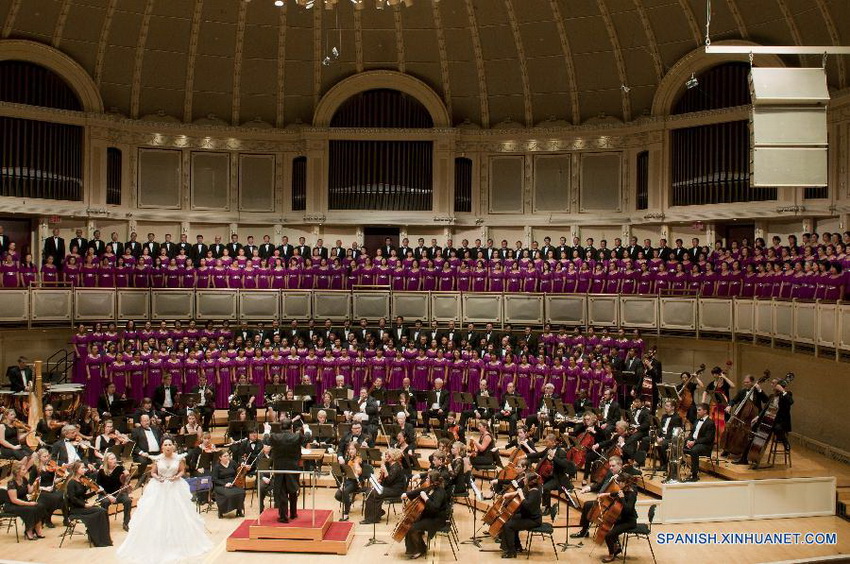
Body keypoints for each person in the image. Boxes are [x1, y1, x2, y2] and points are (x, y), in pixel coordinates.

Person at [117, 436, 213, 563]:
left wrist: (176, 477)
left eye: (170, 444)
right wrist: (158, 478)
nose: (168, 447)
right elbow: (153, 473)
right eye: (165, 445)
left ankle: (178, 542)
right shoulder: (157, 459)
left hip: (175, 487)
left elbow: (182, 471)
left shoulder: (179, 458)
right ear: (162, 447)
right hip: (160, 487)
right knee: (157, 514)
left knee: (178, 514)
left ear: (173, 446)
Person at [264, 416, 312, 523]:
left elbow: (265, 440)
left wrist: (267, 430)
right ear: (291, 427)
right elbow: (308, 438)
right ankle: (294, 513)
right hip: (293, 467)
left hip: (279, 468)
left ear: (281, 427)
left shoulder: (275, 437)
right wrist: (307, 428)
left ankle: (283, 516)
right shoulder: (297, 436)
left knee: (282, 492)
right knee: (293, 490)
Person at [402, 469, 449, 560]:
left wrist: (425, 498)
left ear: (433, 481)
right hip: (429, 516)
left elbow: (434, 509)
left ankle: (419, 549)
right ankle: (418, 548)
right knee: (409, 524)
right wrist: (407, 494)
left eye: (428, 478)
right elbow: (419, 490)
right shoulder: (431, 487)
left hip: (437, 519)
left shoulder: (440, 492)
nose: (426, 480)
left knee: (412, 528)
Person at [65, 461, 113, 547]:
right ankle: (98, 539)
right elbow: (73, 499)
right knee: (100, 512)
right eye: (82, 468)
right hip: (76, 509)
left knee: (103, 511)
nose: (84, 469)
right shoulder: (71, 483)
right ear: (76, 470)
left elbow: (83, 496)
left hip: (82, 506)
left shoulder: (81, 481)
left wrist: (95, 492)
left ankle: (102, 538)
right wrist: (85, 505)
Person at [499, 471, 543, 559]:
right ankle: (517, 546)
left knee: (508, 526)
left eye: (525, 478)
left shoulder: (535, 492)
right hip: (527, 516)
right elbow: (521, 492)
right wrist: (509, 494)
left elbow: (526, 505)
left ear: (530, 481)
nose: (524, 479)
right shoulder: (531, 487)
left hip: (533, 520)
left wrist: (521, 494)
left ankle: (511, 552)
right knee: (509, 519)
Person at [3, 460, 48, 541]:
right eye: (23, 469)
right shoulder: (11, 483)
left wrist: (35, 484)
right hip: (12, 505)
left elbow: (29, 491)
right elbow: (14, 500)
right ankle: (29, 531)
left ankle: (37, 530)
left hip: (23, 502)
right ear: (17, 471)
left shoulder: (24, 479)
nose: (26, 471)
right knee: (30, 509)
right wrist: (28, 504)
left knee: (40, 506)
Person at [362, 448, 406, 524]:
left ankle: (373, 518)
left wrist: (384, 470)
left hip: (395, 490)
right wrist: (380, 479)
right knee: (369, 491)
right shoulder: (389, 465)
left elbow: (389, 480)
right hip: (389, 488)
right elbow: (386, 480)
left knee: (374, 493)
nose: (386, 456)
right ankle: (377, 513)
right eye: (386, 454)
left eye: (388, 455)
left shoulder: (396, 467)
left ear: (394, 457)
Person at [96, 452, 133, 531]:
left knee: (128, 501)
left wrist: (127, 477)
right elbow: (98, 486)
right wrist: (108, 496)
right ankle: (104, 524)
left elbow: (127, 479)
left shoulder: (120, 468)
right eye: (112, 459)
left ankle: (126, 523)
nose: (114, 460)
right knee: (104, 502)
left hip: (118, 493)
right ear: (107, 461)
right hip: (105, 494)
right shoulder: (101, 471)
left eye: (115, 458)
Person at [683, 403, 715, 482]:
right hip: (694, 442)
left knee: (694, 450)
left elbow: (708, 439)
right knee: (678, 445)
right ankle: (680, 469)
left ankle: (694, 475)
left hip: (705, 445)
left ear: (705, 411)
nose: (697, 411)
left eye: (699, 410)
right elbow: (691, 433)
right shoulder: (696, 421)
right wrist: (688, 441)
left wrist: (694, 442)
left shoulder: (710, 423)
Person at [211, 449, 246, 518]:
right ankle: (221, 511)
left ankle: (239, 510)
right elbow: (214, 479)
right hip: (221, 485)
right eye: (225, 456)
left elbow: (238, 471)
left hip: (233, 483)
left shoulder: (232, 463)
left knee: (241, 492)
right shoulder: (217, 466)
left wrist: (242, 466)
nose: (227, 457)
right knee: (228, 494)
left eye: (228, 456)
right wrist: (224, 484)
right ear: (220, 457)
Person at [334, 441, 362, 522]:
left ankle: (346, 514)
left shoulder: (358, 459)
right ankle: (348, 503)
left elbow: (359, 471)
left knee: (345, 492)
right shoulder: (349, 459)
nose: (351, 451)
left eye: (353, 449)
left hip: (355, 482)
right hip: (347, 481)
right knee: (337, 495)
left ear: (357, 450)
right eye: (349, 449)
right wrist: (343, 483)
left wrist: (356, 466)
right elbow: (346, 473)